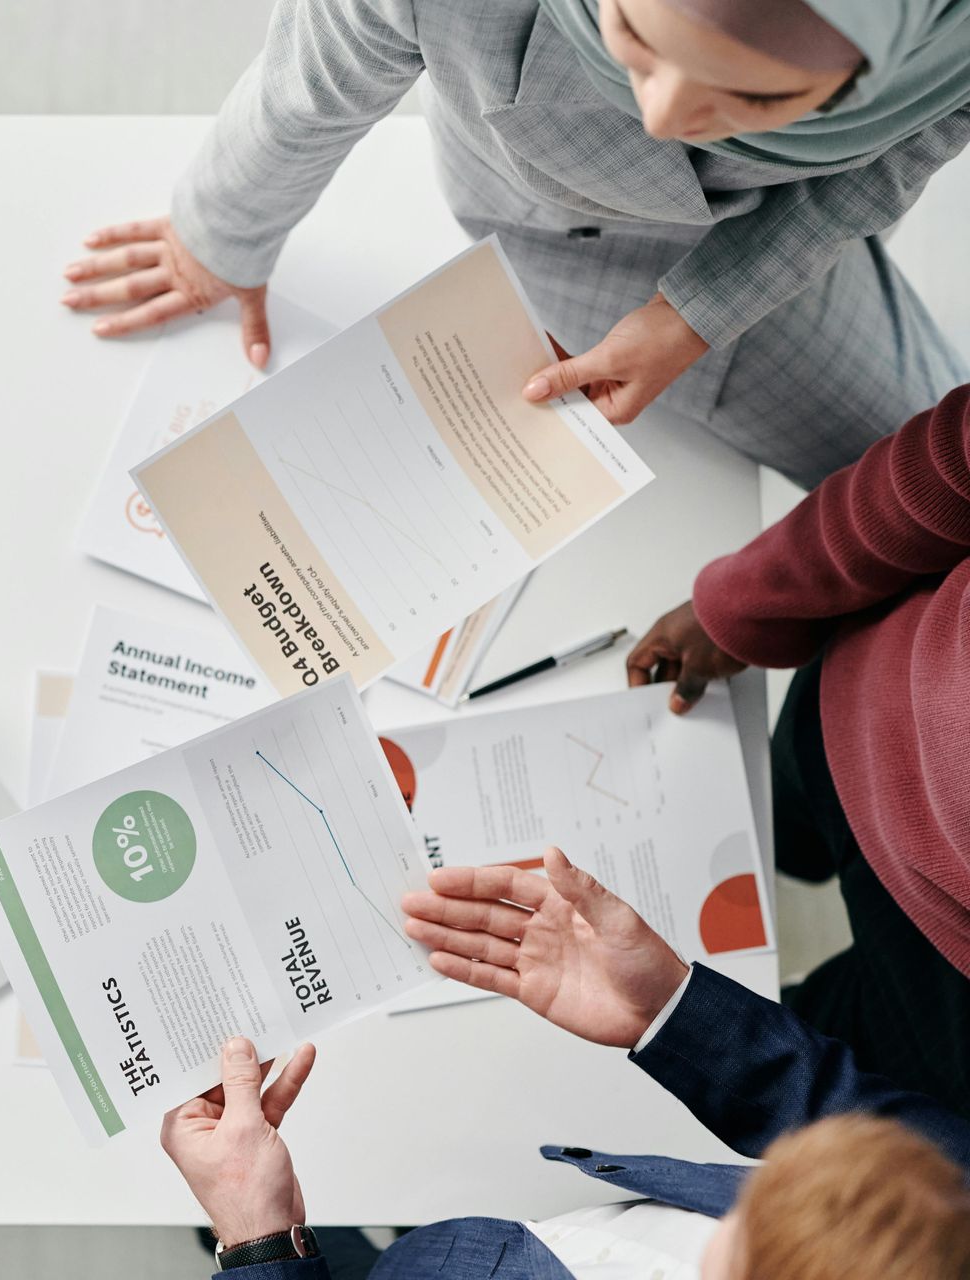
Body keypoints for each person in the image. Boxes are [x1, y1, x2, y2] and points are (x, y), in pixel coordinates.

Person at [61, 0, 970, 489]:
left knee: (943, 494)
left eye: (762, 101)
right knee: (916, 476)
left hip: (764, 236)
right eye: (632, 38)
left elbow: (898, 153)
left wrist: (699, 315)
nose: (662, 119)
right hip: (589, 241)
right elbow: (310, 86)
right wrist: (219, 240)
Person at [162, 849, 970, 1277]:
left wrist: (256, 1245)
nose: (743, 1205)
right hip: (489, 1237)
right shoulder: (940, 1217)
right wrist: (666, 1010)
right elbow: (844, 1113)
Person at [622, 381, 970, 1113]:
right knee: (761, 835)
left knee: (740, 1045)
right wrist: (739, 604)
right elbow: (938, 467)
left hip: (946, 993)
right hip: (859, 715)